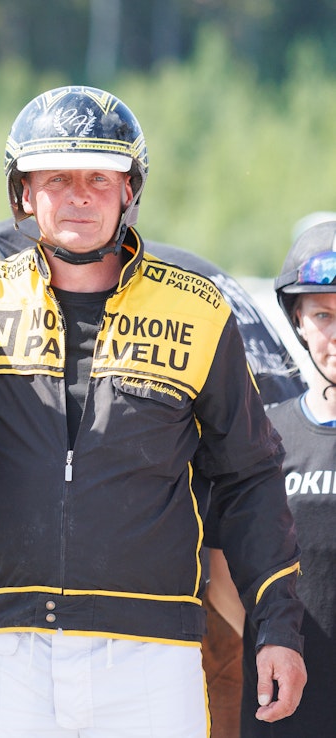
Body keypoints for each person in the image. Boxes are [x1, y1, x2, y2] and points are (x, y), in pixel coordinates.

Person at [0, 85, 306, 736]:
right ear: (21, 192)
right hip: (6, 650)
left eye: (98, 178)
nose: (78, 194)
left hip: (152, 659)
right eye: (56, 177)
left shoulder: (198, 309)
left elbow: (248, 475)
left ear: (129, 189)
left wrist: (275, 625)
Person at [230, 218, 336, 736]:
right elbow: (225, 567)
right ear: (298, 321)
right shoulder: (266, 437)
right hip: (286, 711)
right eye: (323, 315)